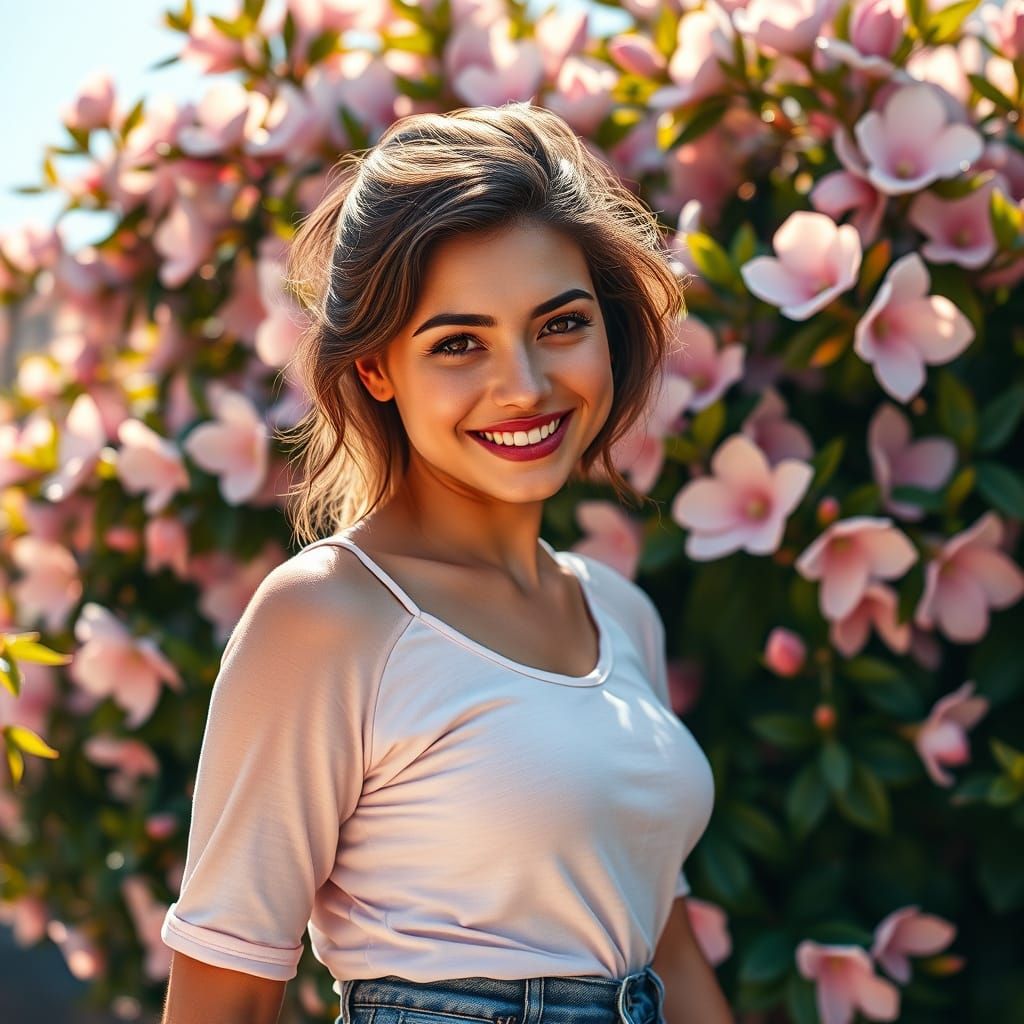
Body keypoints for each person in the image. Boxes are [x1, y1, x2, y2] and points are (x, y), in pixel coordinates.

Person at [159, 103, 731, 1024]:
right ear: (377, 367)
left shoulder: (621, 613)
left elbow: (662, 942)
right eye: (459, 343)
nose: (527, 387)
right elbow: (224, 996)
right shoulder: (328, 617)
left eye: (560, 324)